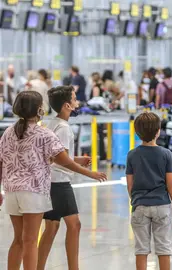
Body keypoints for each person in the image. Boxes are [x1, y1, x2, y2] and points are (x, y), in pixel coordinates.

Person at [0, 91, 106, 270]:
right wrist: (90, 174)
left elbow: (2, 161)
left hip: (11, 192)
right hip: (33, 192)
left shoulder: (8, 132)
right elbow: (63, 160)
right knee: (30, 241)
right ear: (39, 109)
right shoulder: (43, 133)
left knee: (18, 240)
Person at [37, 86, 102, 270]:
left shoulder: (52, 123)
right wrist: (90, 173)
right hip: (59, 183)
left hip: (49, 182)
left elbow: (57, 157)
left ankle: (38, 267)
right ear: (67, 105)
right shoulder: (64, 128)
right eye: (74, 99)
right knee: (75, 225)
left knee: (51, 227)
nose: (77, 102)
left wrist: (78, 159)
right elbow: (62, 162)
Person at [126, 112, 172, 270]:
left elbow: (130, 184)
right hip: (162, 206)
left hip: (140, 206)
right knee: (164, 248)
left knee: (141, 250)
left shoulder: (132, 155)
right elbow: (171, 183)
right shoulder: (166, 154)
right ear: (158, 131)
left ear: (137, 133)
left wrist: (135, 200)